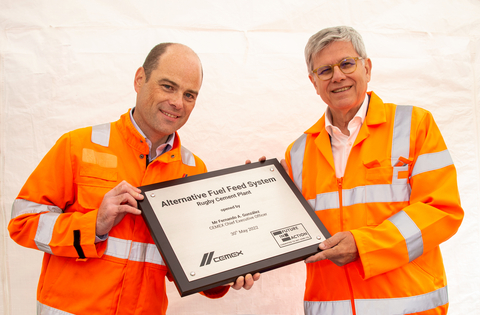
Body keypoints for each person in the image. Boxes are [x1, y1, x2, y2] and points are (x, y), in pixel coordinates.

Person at [8, 42, 258, 315]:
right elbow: (23, 223)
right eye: (168, 86)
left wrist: (227, 272)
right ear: (140, 79)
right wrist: (94, 224)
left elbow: (193, 263)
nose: (177, 102)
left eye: (189, 94)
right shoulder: (78, 146)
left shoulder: (193, 170)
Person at [282, 26, 464, 315]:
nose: (338, 76)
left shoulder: (415, 125)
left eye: (346, 63)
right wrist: (258, 192)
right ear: (313, 82)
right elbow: (284, 232)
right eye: (325, 70)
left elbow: (441, 210)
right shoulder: (297, 153)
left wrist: (363, 245)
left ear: (366, 67)